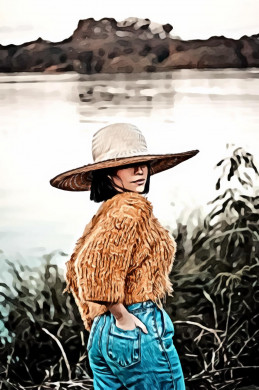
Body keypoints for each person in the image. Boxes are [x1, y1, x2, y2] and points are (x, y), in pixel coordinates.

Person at [50, 123, 199, 389]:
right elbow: (91, 268)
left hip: (103, 333)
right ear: (108, 173)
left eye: (143, 163)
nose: (140, 170)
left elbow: (75, 268)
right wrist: (122, 316)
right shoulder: (131, 207)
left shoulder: (108, 211)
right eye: (129, 164)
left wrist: (103, 320)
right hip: (134, 324)